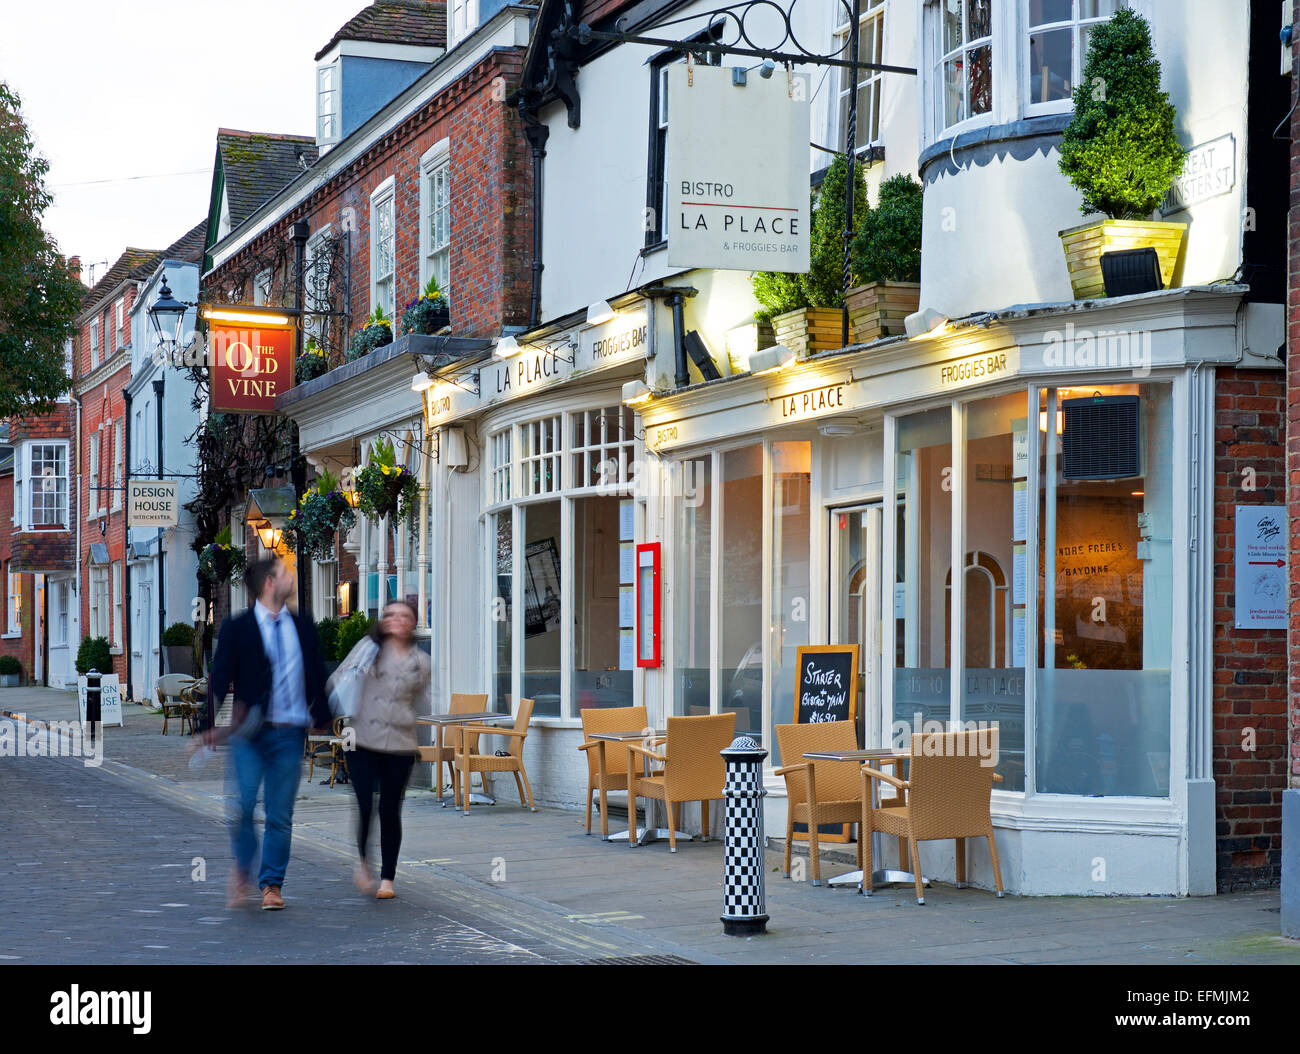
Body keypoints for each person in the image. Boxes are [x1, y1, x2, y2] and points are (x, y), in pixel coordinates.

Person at [197, 556, 332, 910]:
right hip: (249, 734)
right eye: (286, 572)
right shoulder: (237, 628)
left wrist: (324, 716)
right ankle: (243, 865)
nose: (292, 577)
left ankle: (271, 884)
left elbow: (317, 674)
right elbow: (220, 676)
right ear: (270, 583)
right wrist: (206, 726)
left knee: (279, 814)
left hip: (289, 734)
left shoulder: (303, 625)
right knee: (241, 807)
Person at [331, 600, 428, 900]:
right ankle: (363, 863)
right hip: (361, 740)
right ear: (384, 620)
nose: (397, 620)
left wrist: (420, 746)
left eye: (405, 616)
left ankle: (388, 878)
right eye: (391, 615)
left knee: (390, 809)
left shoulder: (421, 662)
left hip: (400, 744)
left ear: (413, 623)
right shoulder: (367, 649)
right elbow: (337, 679)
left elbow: (422, 704)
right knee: (364, 806)